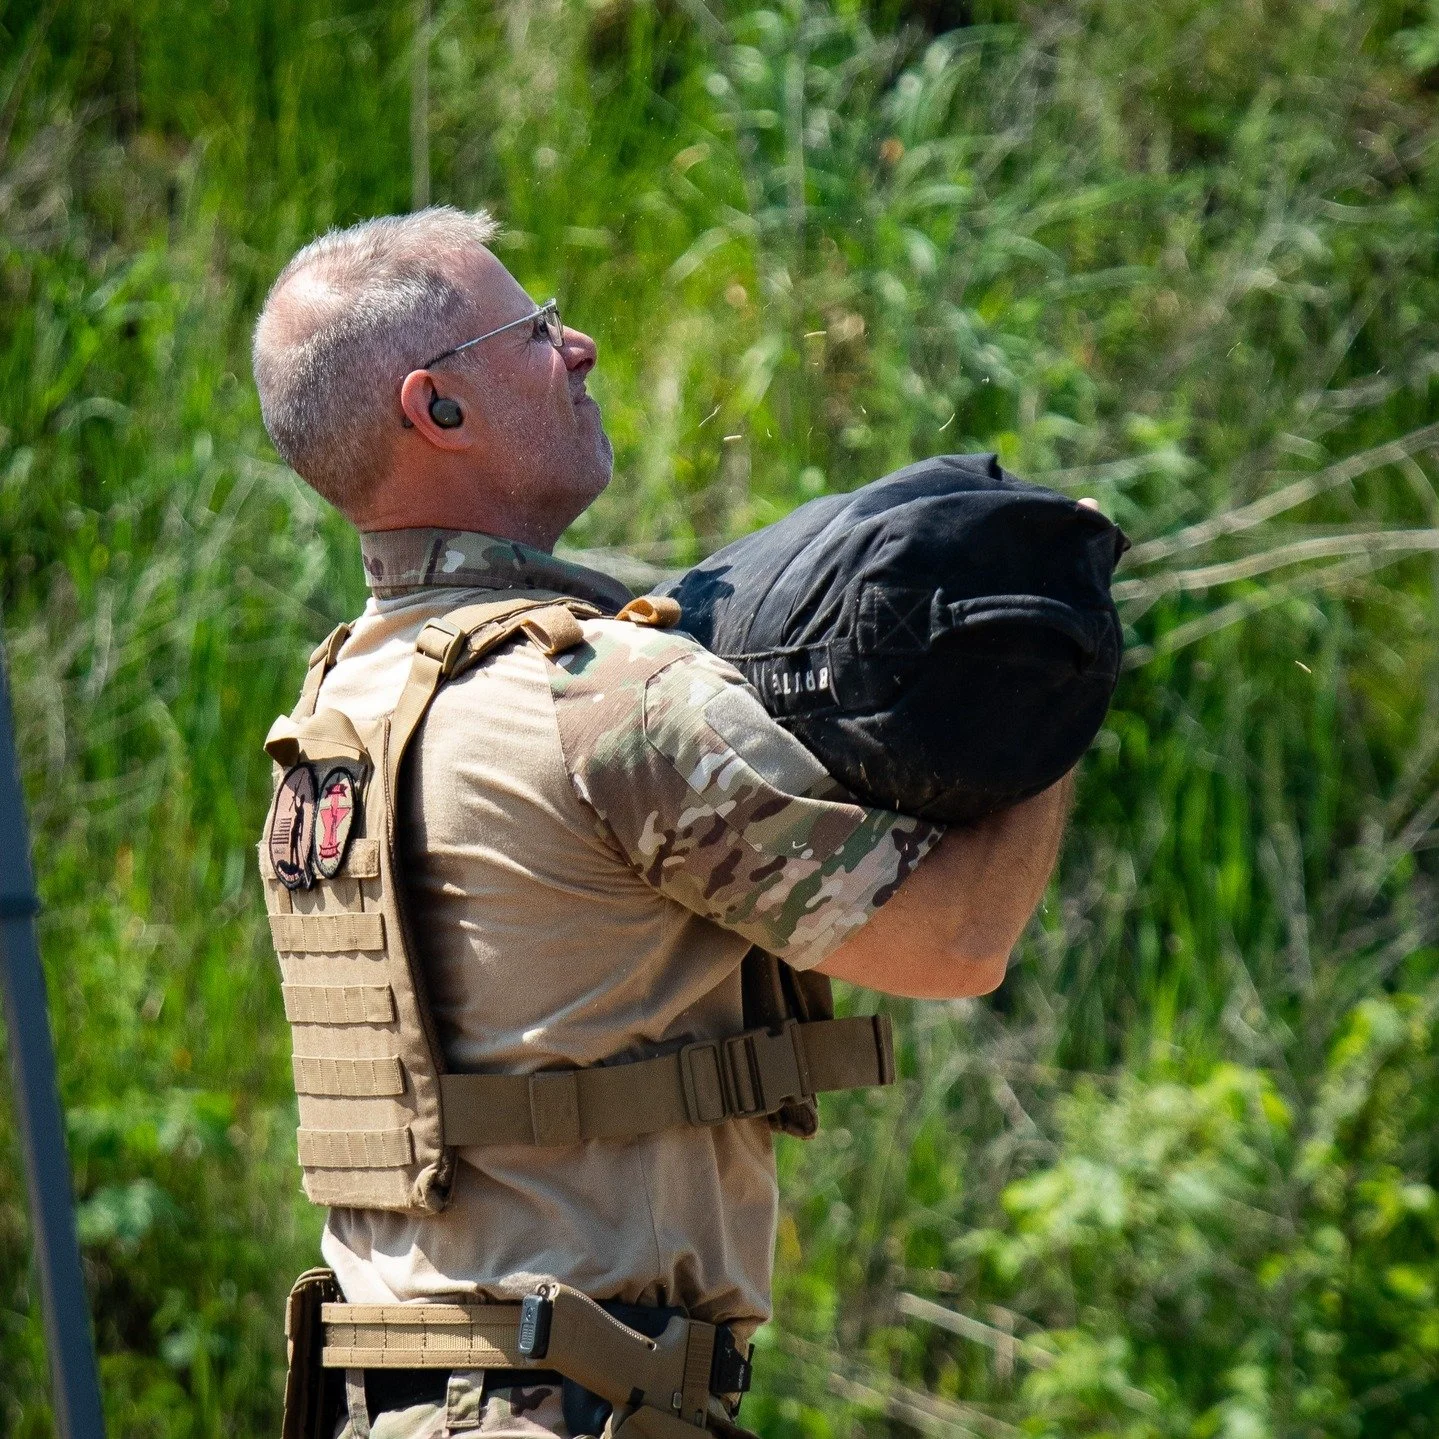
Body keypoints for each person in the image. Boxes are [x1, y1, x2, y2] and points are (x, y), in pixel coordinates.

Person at [251, 206, 1075, 1439]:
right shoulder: (600, 696)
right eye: (533, 331)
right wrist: (1048, 677)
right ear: (439, 410)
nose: (577, 345)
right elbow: (954, 940)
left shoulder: (342, 704)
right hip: (560, 1401)